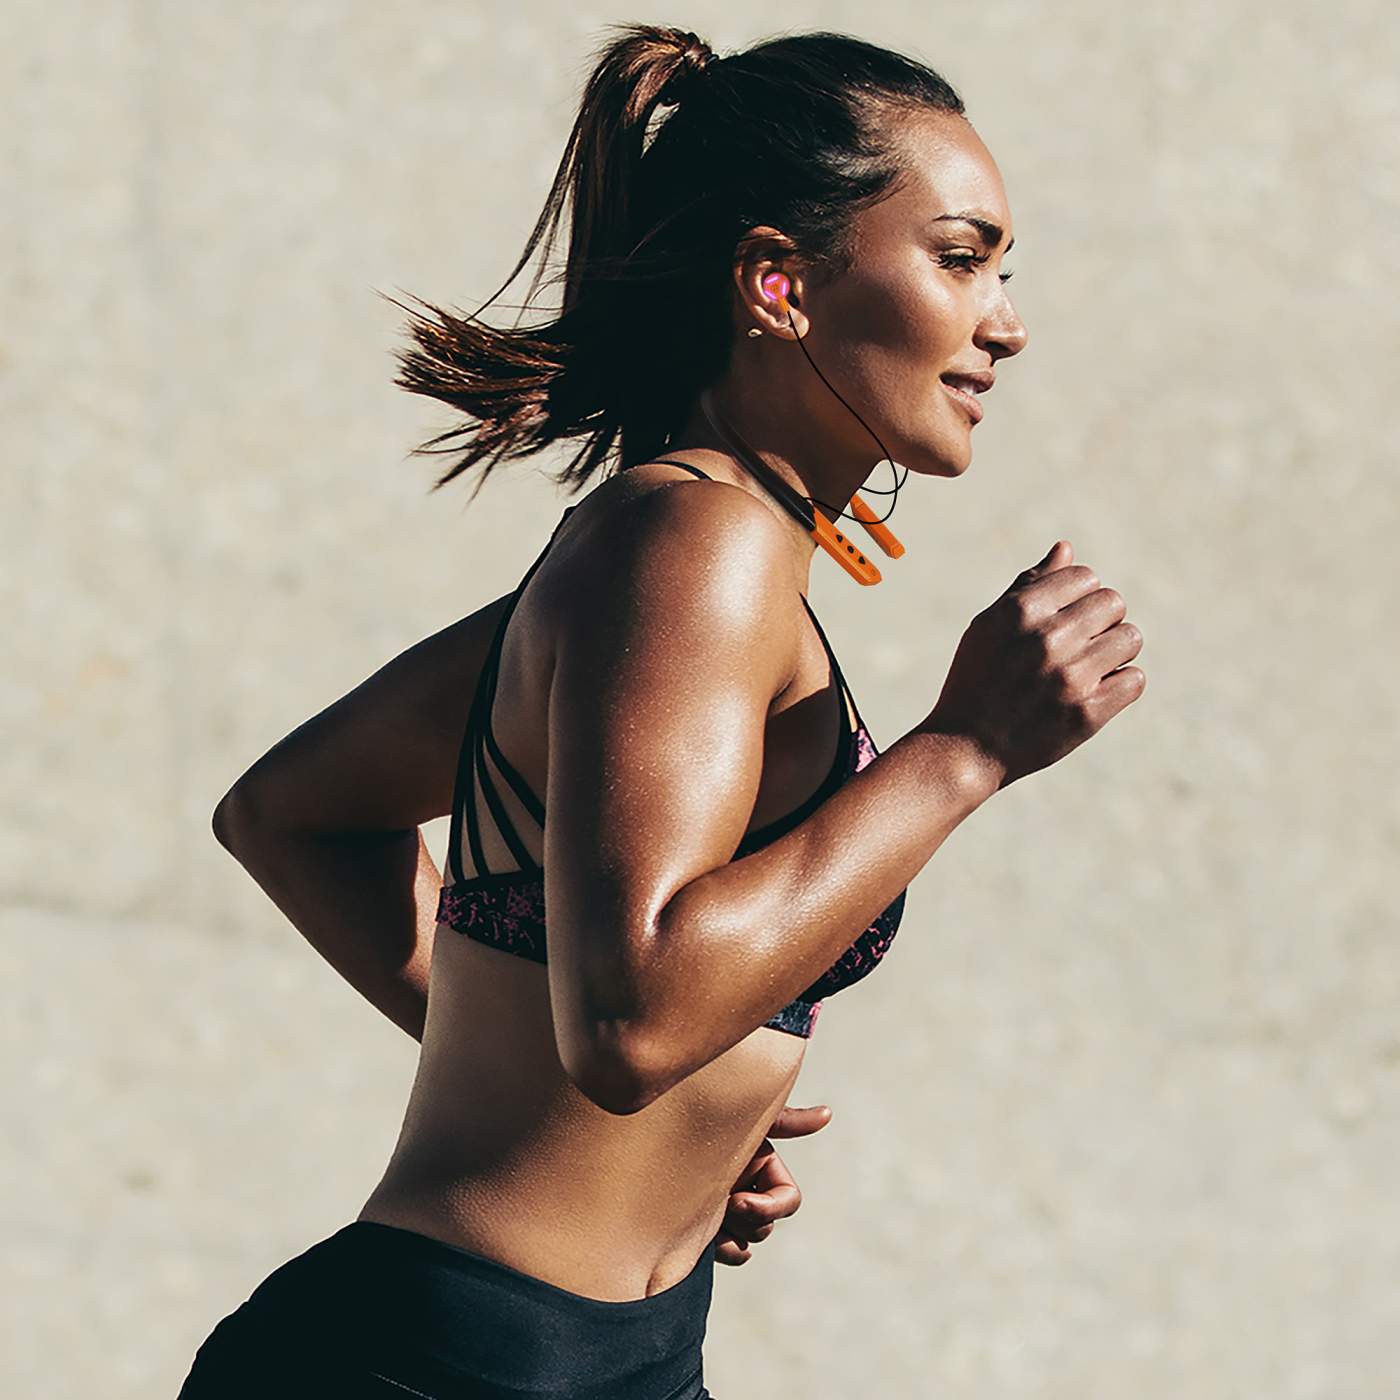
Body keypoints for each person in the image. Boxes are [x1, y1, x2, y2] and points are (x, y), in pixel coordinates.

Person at [180, 21, 1145, 1399]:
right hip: (438, 1363)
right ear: (778, 284)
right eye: (959, 256)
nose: (1007, 319)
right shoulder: (697, 547)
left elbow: (291, 817)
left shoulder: (661, 554)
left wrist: (690, 1127)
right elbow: (633, 1020)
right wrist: (966, 750)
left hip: (616, 1356)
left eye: (1002, 268)